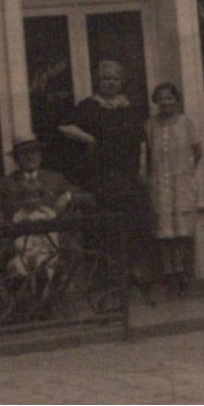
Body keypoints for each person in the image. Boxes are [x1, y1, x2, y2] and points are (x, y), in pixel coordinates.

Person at [60, 60, 152, 281]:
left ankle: (133, 270)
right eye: (105, 79)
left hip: (128, 174)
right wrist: (89, 138)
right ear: (98, 82)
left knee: (133, 222)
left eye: (115, 79)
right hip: (101, 174)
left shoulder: (129, 107)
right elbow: (65, 127)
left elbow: (141, 141)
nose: (110, 83)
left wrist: (141, 169)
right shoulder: (89, 106)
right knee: (104, 223)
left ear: (121, 82)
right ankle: (106, 274)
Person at [145, 82, 203, 295]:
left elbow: (197, 151)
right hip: (160, 183)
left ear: (176, 100)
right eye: (161, 98)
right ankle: (168, 273)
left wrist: (185, 173)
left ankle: (181, 272)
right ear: (156, 101)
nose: (165, 102)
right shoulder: (151, 124)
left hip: (181, 183)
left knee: (180, 231)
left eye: (169, 97)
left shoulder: (186, 122)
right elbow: (147, 154)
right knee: (164, 231)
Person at [0, 137, 95, 222]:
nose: (30, 157)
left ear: (40, 155)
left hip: (55, 242)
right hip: (19, 242)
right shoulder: (5, 183)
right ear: (16, 159)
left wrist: (68, 196)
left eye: (34, 152)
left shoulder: (55, 178)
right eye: (24, 153)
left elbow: (88, 199)